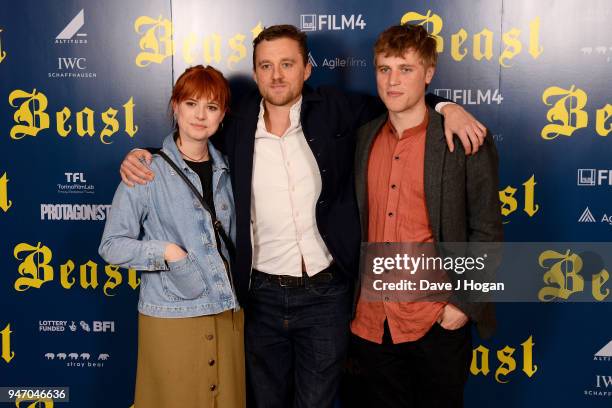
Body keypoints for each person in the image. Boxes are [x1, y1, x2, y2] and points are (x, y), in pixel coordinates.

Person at [118, 25, 487, 408]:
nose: (276, 75)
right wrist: (144, 155)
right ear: (256, 72)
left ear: (307, 69)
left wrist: (447, 107)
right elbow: (192, 136)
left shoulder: (338, 111)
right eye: (266, 65)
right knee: (265, 401)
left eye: (287, 64)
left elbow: (401, 100)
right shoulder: (237, 121)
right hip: (259, 295)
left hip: (325, 295)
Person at [346, 24, 503, 408]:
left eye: (406, 69)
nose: (393, 81)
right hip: (370, 326)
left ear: (429, 74)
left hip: (435, 323)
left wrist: (461, 306)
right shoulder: (363, 138)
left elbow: (487, 231)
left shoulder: (464, 139)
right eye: (385, 69)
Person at [99, 65, 245, 408]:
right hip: (171, 314)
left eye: (211, 107)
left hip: (228, 312)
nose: (200, 115)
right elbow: (111, 245)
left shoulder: (231, 168)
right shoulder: (146, 169)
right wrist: (168, 252)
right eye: (191, 103)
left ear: (222, 115)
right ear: (175, 106)